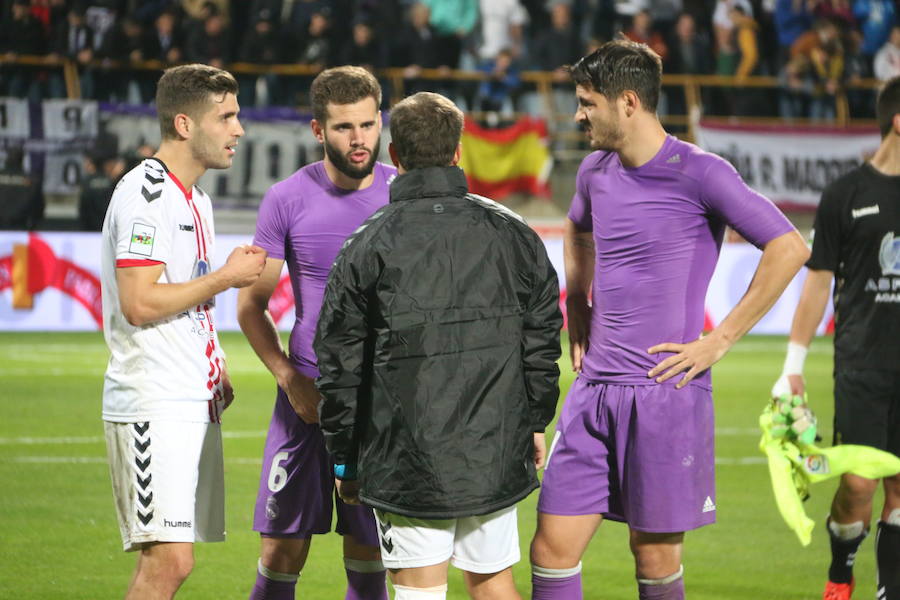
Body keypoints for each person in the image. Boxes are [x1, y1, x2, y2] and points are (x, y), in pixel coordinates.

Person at [529, 40, 810, 600]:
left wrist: (720, 339)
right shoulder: (593, 171)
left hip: (665, 392)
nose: (577, 114)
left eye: (587, 102)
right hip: (592, 391)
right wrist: (578, 302)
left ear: (627, 101)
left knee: (654, 557)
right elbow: (577, 229)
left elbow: (789, 246)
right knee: (550, 550)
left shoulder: (701, 173)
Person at [313, 91, 562, 600]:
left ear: (394, 156)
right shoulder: (514, 233)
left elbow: (339, 363)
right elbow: (542, 338)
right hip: (494, 447)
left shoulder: (367, 243)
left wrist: (344, 458)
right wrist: (534, 421)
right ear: (458, 151)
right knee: (493, 583)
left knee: (418, 590)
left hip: (405, 456)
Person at [100, 63, 266, 599]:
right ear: (185, 124)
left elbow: (184, 299)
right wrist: (225, 278)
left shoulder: (196, 199)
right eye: (226, 117)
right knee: (167, 562)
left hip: (186, 394)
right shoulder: (147, 192)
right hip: (151, 398)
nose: (238, 129)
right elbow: (140, 301)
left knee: (177, 560)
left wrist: (210, 368)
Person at [237, 65, 393, 600]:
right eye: (345, 127)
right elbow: (252, 306)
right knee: (281, 548)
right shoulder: (286, 197)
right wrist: (287, 377)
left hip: (381, 403)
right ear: (317, 130)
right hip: (307, 398)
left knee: (370, 548)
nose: (359, 139)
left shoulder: (405, 195)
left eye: (369, 125)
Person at [771, 76, 900, 600]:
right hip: (862, 363)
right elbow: (818, 282)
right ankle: (841, 570)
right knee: (858, 485)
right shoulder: (845, 195)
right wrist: (792, 364)